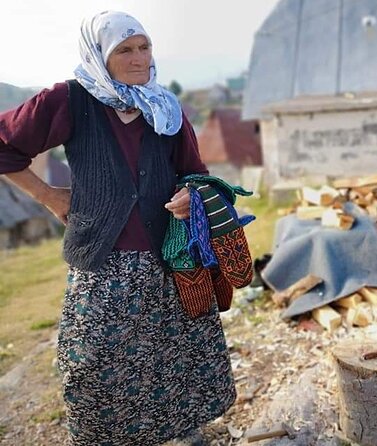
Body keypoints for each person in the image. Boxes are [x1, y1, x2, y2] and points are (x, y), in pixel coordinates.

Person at [0, 11, 236, 445]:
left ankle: (184, 433)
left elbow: (194, 172)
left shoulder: (165, 108)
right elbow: (4, 147)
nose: (138, 58)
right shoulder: (69, 100)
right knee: (95, 365)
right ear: (99, 56)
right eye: (124, 50)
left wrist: (190, 196)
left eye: (144, 46)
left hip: (169, 260)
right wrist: (49, 196)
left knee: (175, 357)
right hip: (103, 268)